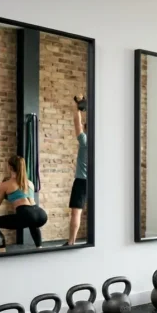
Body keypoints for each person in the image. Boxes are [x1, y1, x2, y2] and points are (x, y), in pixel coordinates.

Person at [0, 155, 48, 251]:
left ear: (10, 167)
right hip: (41, 214)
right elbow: (20, 195)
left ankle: (1, 250)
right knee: (32, 222)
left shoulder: (6, 184)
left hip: (26, 213)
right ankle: (39, 248)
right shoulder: (29, 183)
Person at [64, 94, 88, 246]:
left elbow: (76, 122)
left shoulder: (84, 141)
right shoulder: (102, 143)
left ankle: (71, 242)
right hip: (97, 181)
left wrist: (77, 105)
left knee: (76, 212)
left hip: (81, 181)